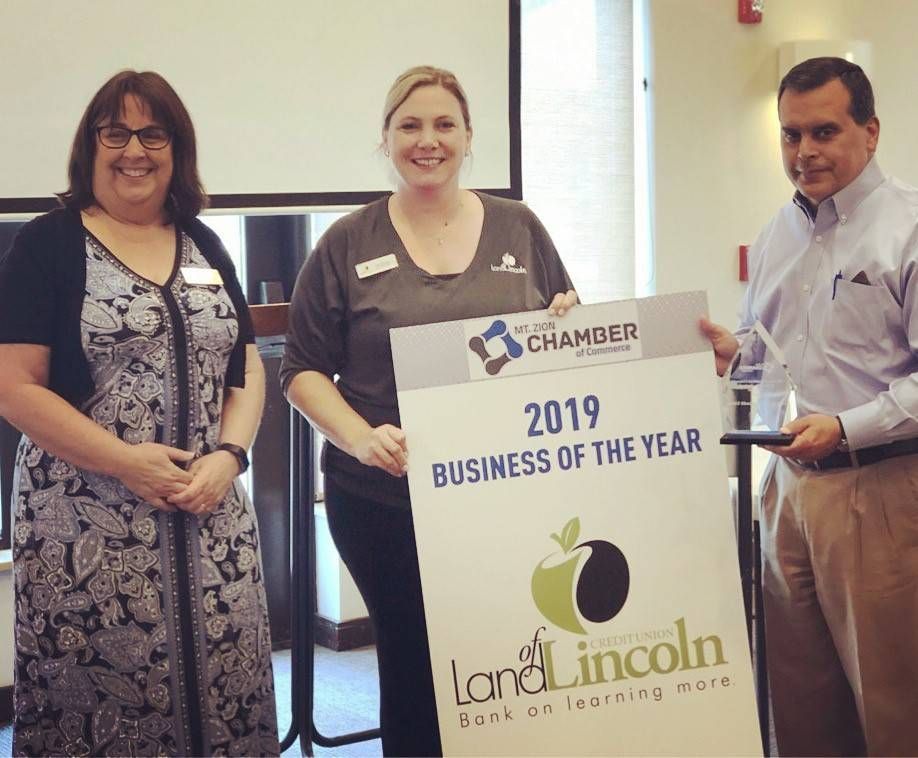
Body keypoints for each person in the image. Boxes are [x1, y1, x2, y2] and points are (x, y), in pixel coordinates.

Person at [280, 65, 576, 756]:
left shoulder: (519, 226)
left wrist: (562, 323)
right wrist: (358, 438)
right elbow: (301, 372)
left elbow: (564, 341)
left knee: (507, 659)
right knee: (416, 669)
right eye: (409, 125)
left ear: (469, 136)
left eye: (445, 124)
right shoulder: (346, 242)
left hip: (503, 493)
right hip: (383, 499)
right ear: (385, 139)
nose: (428, 140)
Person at [0, 70, 279, 757]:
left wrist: (231, 457)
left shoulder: (205, 245)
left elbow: (246, 368)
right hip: (85, 528)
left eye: (153, 133)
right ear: (90, 145)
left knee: (227, 692)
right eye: (116, 131)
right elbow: (13, 385)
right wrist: (127, 462)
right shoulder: (49, 242)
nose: (134, 149)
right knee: (99, 705)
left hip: (210, 515)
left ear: (176, 149)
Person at [702, 57, 918, 756]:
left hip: (880, 493)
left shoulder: (908, 228)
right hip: (788, 494)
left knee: (892, 704)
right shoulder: (778, 235)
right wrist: (731, 358)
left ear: (871, 131)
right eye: (790, 135)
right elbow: (765, 358)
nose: (805, 152)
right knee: (798, 704)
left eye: (824, 131)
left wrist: (845, 427)